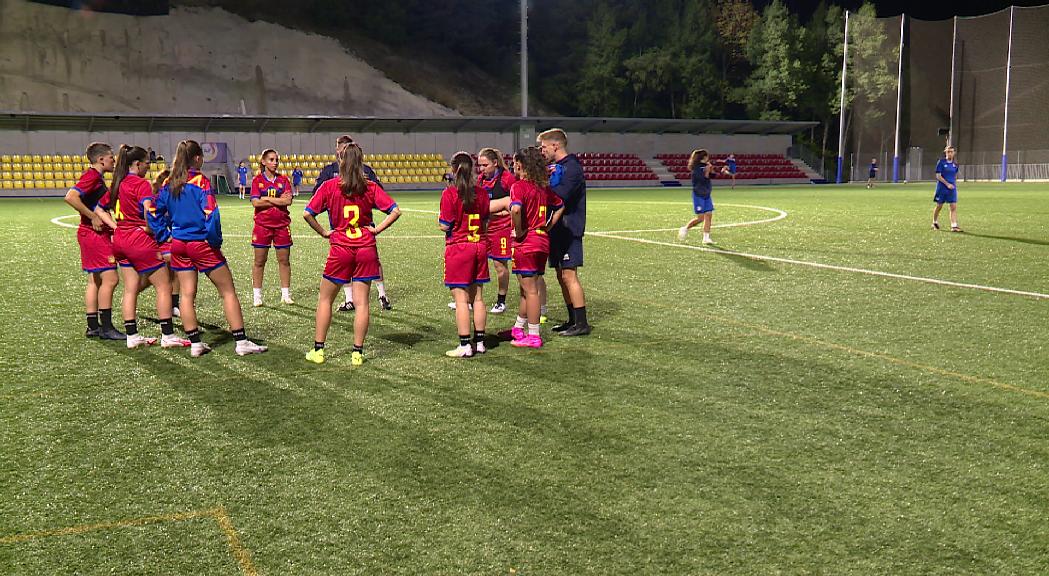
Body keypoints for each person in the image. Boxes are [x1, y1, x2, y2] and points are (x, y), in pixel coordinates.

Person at [148, 139, 267, 358]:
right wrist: (214, 242)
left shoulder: (169, 183)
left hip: (179, 244)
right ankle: (241, 341)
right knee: (227, 291)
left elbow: (152, 212)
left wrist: (165, 235)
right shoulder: (200, 181)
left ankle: (195, 344)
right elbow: (211, 214)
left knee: (186, 294)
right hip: (201, 243)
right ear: (196, 158)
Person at [303, 143, 401, 365]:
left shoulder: (329, 186)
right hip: (366, 248)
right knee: (362, 303)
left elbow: (307, 214)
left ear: (340, 160)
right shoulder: (370, 187)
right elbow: (395, 211)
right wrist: (376, 229)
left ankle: (319, 350)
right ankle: (357, 353)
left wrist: (324, 233)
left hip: (341, 248)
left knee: (326, 299)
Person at [101, 145, 189, 349]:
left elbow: (99, 206)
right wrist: (152, 230)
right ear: (137, 164)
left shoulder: (117, 183)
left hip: (120, 239)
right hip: (138, 240)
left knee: (131, 288)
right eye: (147, 164)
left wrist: (115, 225)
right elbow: (150, 211)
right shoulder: (141, 184)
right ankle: (167, 335)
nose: (148, 168)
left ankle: (132, 336)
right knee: (164, 285)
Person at [313, 135, 392, 312]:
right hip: (347, 228)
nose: (340, 153)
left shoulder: (365, 171)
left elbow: (377, 192)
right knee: (356, 264)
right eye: (339, 149)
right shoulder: (329, 171)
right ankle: (350, 299)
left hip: (355, 229)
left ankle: (381, 293)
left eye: (342, 150)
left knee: (370, 261)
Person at [504, 146, 564, 349]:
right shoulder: (543, 188)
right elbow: (560, 205)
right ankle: (518, 328)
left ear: (520, 164)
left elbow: (516, 209)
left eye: (514, 163)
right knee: (527, 289)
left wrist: (520, 231)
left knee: (530, 291)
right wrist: (547, 226)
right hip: (541, 242)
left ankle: (534, 335)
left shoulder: (519, 186)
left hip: (526, 243)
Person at [64, 142, 125, 340]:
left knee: (95, 280)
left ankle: (93, 326)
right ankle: (107, 328)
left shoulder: (95, 177)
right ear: (101, 160)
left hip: (88, 234)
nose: (113, 161)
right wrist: (93, 216)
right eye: (111, 158)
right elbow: (71, 197)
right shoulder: (91, 176)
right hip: (94, 234)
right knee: (111, 279)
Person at [537, 128, 591, 337]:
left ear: (555, 145)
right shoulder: (557, 167)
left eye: (544, 147)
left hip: (569, 229)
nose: (542, 151)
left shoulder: (572, 168)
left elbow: (560, 196)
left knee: (569, 275)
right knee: (561, 275)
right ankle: (572, 320)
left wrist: (539, 186)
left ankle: (582, 323)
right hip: (557, 230)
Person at [440, 152, 491, 358]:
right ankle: (479, 342)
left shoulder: (450, 194)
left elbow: (445, 225)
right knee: (477, 297)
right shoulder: (482, 193)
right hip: (479, 245)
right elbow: (485, 221)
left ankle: (464, 344)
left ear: (453, 170)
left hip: (460, 248)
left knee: (461, 300)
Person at [249, 149, 294, 307]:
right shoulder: (257, 181)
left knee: (284, 261)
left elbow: (288, 201)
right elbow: (256, 202)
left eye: (276, 160)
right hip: (262, 226)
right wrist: (277, 199)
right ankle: (257, 296)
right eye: (271, 159)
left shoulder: (284, 180)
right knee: (259, 261)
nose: (275, 162)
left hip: (282, 225)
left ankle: (286, 294)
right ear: (263, 161)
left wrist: (266, 198)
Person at [678, 149, 725, 245]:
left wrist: (711, 170)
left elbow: (713, 176)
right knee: (700, 218)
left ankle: (706, 237)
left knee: (709, 215)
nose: (708, 158)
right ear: (703, 157)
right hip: (698, 194)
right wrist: (707, 172)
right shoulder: (696, 168)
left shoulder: (706, 166)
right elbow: (702, 180)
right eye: (707, 156)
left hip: (707, 194)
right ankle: (685, 228)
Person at [152, 169, 181, 318]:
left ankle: (174, 304)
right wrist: (165, 235)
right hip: (160, 242)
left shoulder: (173, 197)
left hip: (170, 239)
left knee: (176, 270)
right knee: (171, 268)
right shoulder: (157, 199)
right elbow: (152, 220)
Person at [933, 146, 962, 232]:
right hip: (942, 188)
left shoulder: (955, 164)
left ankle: (954, 226)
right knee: (939, 206)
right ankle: (934, 221)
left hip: (951, 188)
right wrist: (947, 184)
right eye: (948, 151)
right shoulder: (941, 162)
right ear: (945, 152)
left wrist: (953, 185)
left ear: (954, 153)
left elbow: (954, 176)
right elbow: (938, 176)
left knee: (953, 206)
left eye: (951, 152)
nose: (949, 153)